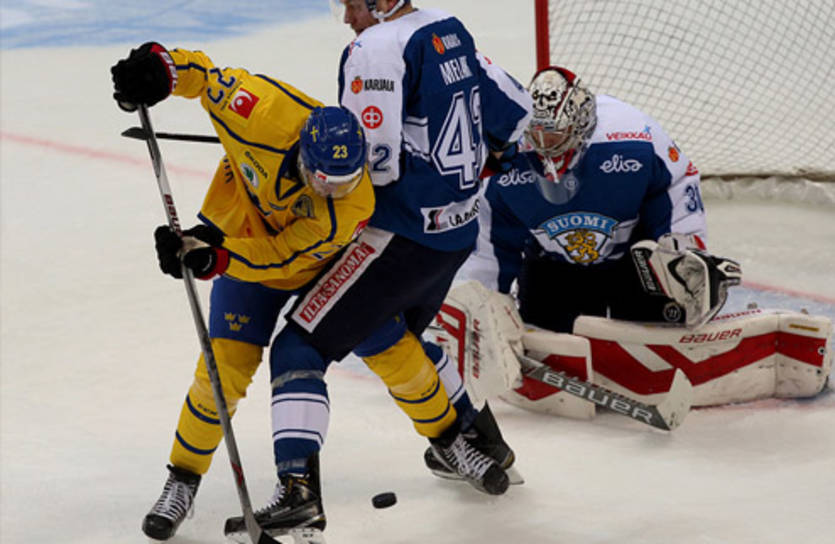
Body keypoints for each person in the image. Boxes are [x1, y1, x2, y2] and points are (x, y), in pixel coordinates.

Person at [222, 1, 533, 540]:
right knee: (388, 336)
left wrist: (313, 160)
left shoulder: (376, 48)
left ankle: (298, 491)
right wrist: (487, 155)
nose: (347, 17)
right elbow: (516, 111)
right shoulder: (446, 29)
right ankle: (482, 442)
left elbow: (376, 166)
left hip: (399, 237)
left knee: (299, 346)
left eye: (352, 4)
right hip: (456, 232)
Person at [110, 42, 375, 541]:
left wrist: (218, 258)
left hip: (312, 266)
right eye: (325, 182)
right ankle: (182, 480)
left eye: (345, 182)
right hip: (241, 231)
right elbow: (206, 77)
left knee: (385, 341)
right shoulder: (262, 111)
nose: (334, 193)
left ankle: (452, 433)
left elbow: (280, 255)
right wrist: (162, 69)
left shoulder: (351, 206)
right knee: (221, 373)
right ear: (304, 154)